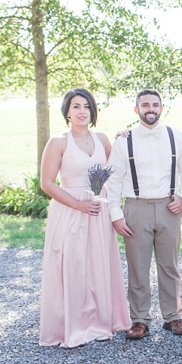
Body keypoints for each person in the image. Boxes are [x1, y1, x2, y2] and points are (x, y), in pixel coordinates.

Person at [39, 88, 129, 348]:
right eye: (76, 106)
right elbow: (47, 183)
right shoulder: (58, 141)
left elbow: (114, 169)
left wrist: (120, 140)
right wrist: (78, 204)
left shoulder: (101, 139)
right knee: (73, 264)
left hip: (98, 211)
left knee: (98, 263)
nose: (82, 111)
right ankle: (73, 326)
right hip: (70, 210)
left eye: (86, 107)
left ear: (93, 111)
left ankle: (100, 321)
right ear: (67, 111)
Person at [106, 89, 182, 340]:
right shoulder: (125, 140)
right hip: (136, 207)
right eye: (145, 105)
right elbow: (113, 180)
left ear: (162, 108)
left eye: (155, 104)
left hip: (169, 207)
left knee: (170, 265)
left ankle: (173, 316)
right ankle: (139, 319)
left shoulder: (176, 137)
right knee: (137, 266)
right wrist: (115, 215)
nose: (150, 108)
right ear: (137, 110)